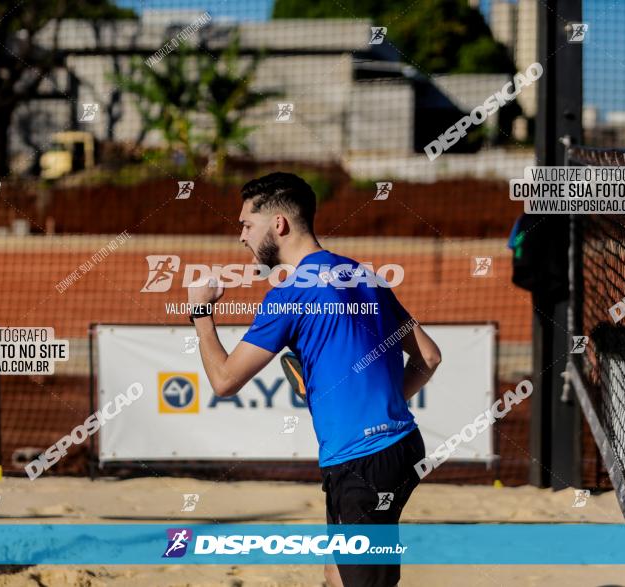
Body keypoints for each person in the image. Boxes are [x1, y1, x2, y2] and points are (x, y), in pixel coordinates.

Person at [187, 172, 442, 586]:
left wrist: (200, 314)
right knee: (335, 574)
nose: (241, 237)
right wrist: (374, 401)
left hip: (362, 461)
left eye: (246, 225)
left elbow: (224, 381)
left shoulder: (290, 294)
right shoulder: (367, 277)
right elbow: (429, 357)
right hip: (396, 447)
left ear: (279, 225)